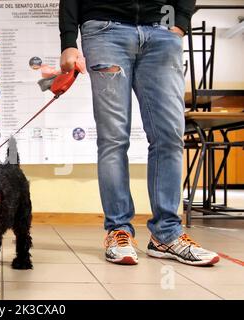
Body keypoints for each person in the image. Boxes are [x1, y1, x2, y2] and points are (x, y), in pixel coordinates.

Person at [59, 0, 220, 266]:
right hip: (104, 31)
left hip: (162, 31)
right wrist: (68, 40)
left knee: (169, 136)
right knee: (113, 138)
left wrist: (180, 22)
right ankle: (118, 230)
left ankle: (166, 234)